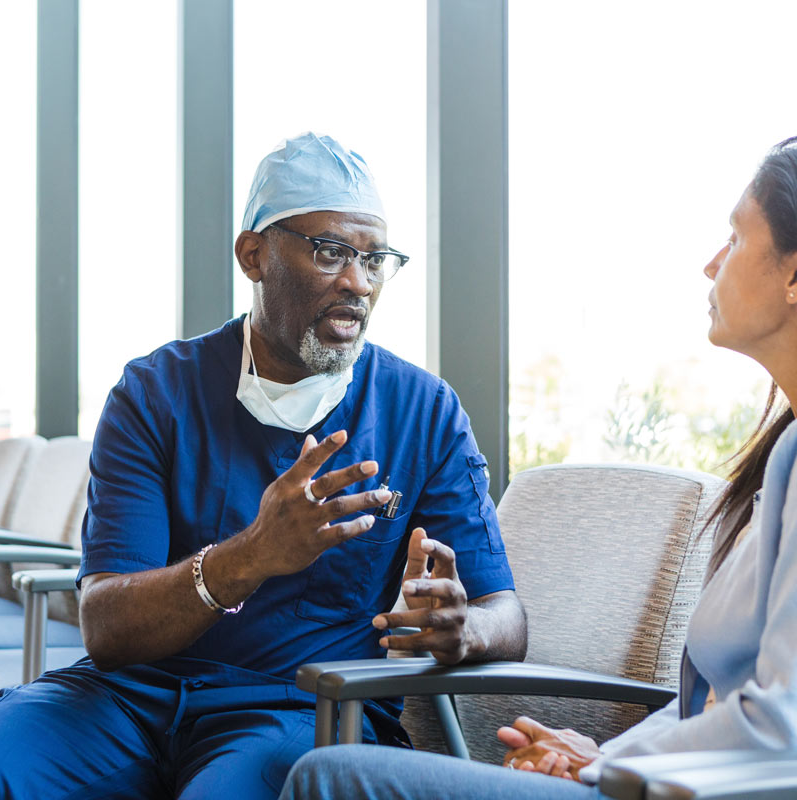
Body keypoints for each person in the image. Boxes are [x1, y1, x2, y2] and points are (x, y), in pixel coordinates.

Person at [0, 132, 526, 798]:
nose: (358, 283)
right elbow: (106, 627)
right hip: (127, 698)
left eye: (375, 259)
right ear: (254, 255)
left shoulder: (423, 411)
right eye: (331, 251)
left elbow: (505, 613)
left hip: (297, 710)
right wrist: (249, 555)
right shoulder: (156, 391)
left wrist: (462, 629)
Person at [278, 136, 797, 800]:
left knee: (331, 776)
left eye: (735, 236)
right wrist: (608, 750)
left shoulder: (423, 409)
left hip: (698, 790)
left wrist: (609, 768)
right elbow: (724, 708)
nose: (710, 264)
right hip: (669, 775)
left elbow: (781, 730)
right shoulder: (785, 458)